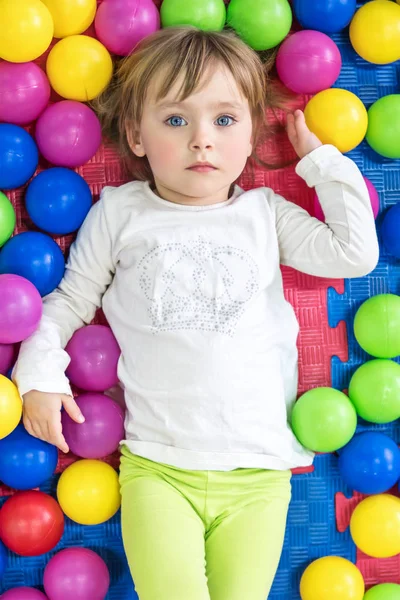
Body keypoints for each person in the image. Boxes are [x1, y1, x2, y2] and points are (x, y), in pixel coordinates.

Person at [13, 27, 379, 600]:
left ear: (253, 129)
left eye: (225, 121)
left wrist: (321, 162)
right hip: (158, 469)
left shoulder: (265, 214)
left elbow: (355, 254)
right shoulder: (121, 213)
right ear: (135, 135)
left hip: (259, 472)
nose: (202, 141)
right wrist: (37, 376)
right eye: (176, 121)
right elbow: (69, 302)